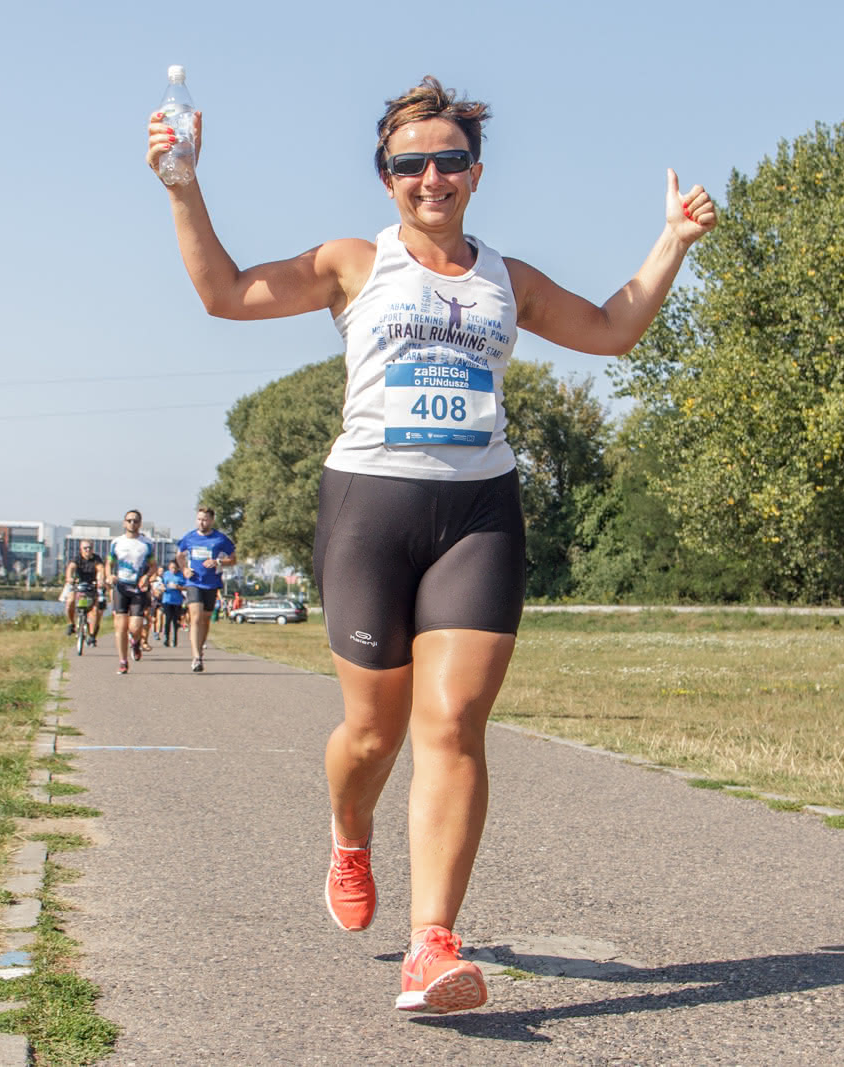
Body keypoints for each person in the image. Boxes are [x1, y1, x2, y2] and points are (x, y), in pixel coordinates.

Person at [148, 74, 716, 1014]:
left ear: (476, 173)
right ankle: (347, 828)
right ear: (387, 179)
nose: (432, 177)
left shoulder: (507, 279)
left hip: (479, 512)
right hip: (371, 508)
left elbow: (613, 330)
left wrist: (673, 242)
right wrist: (182, 187)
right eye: (411, 164)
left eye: (450, 160)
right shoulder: (350, 264)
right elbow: (225, 292)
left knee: (451, 725)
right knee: (373, 732)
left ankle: (431, 944)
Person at [174, 506, 236, 673]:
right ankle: (196, 657)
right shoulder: (190, 537)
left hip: (211, 583)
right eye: (199, 519)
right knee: (195, 617)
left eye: (205, 519)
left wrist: (218, 562)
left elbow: (233, 558)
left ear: (212, 520)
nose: (201, 522)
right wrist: (184, 570)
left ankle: (199, 649)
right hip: (194, 582)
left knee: (205, 619)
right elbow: (179, 555)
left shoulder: (220, 539)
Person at [107, 510, 157, 674]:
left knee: (135, 627)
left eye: (135, 521)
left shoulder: (147, 544)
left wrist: (147, 577)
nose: (132, 524)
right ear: (124, 523)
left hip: (138, 589)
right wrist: (109, 575)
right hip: (121, 587)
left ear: (140, 523)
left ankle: (135, 643)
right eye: (129, 521)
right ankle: (123, 661)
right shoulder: (116, 543)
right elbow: (110, 563)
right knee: (120, 627)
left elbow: (153, 566)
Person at [64, 539, 106, 644]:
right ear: (81, 549)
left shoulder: (96, 559)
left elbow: (100, 569)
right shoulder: (77, 559)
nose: (87, 550)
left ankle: (91, 635)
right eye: (85, 548)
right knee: (70, 603)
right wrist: (69, 578)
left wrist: (100, 579)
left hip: (92, 586)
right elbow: (71, 568)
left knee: (95, 610)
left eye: (90, 548)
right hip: (78, 585)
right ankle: (71, 624)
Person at [158, 559, 186, 647]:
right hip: (167, 600)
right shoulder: (166, 574)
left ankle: (175, 638)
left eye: (174, 568)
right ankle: (166, 638)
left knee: (175, 620)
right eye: (171, 568)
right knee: (168, 619)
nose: (173, 569)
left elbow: (186, 587)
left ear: (177, 568)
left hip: (177, 601)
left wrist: (178, 587)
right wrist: (162, 588)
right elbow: (161, 584)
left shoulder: (181, 575)